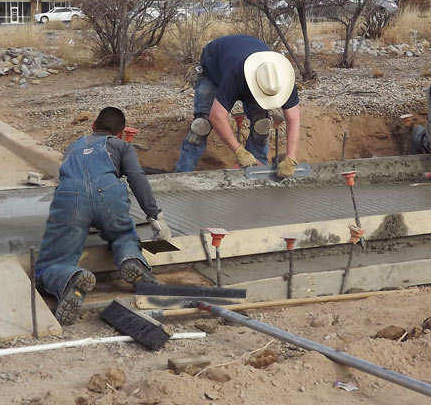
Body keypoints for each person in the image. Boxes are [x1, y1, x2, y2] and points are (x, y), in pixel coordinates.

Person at [35, 107, 171, 325]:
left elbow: (69, 178)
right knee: (123, 236)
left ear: (93, 127)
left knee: (51, 262)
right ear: (120, 133)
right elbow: (136, 176)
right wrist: (155, 215)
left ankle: (71, 279)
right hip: (109, 196)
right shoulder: (122, 146)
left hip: (70, 197)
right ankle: (132, 261)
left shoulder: (73, 146)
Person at [174, 34, 302, 178]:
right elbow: (217, 116)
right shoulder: (236, 73)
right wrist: (239, 151)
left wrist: (291, 158)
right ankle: (181, 176)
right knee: (200, 127)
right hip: (214, 68)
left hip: (249, 69)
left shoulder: (279, 77)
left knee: (262, 124)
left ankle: (256, 174)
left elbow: (294, 118)